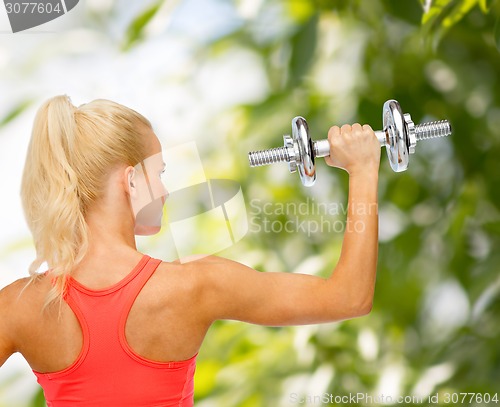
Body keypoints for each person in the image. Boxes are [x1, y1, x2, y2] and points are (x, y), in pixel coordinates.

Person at [0, 95, 380, 406]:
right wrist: (362, 171)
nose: (164, 191)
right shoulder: (194, 285)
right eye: (159, 173)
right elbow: (349, 297)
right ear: (131, 180)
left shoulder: (21, 305)